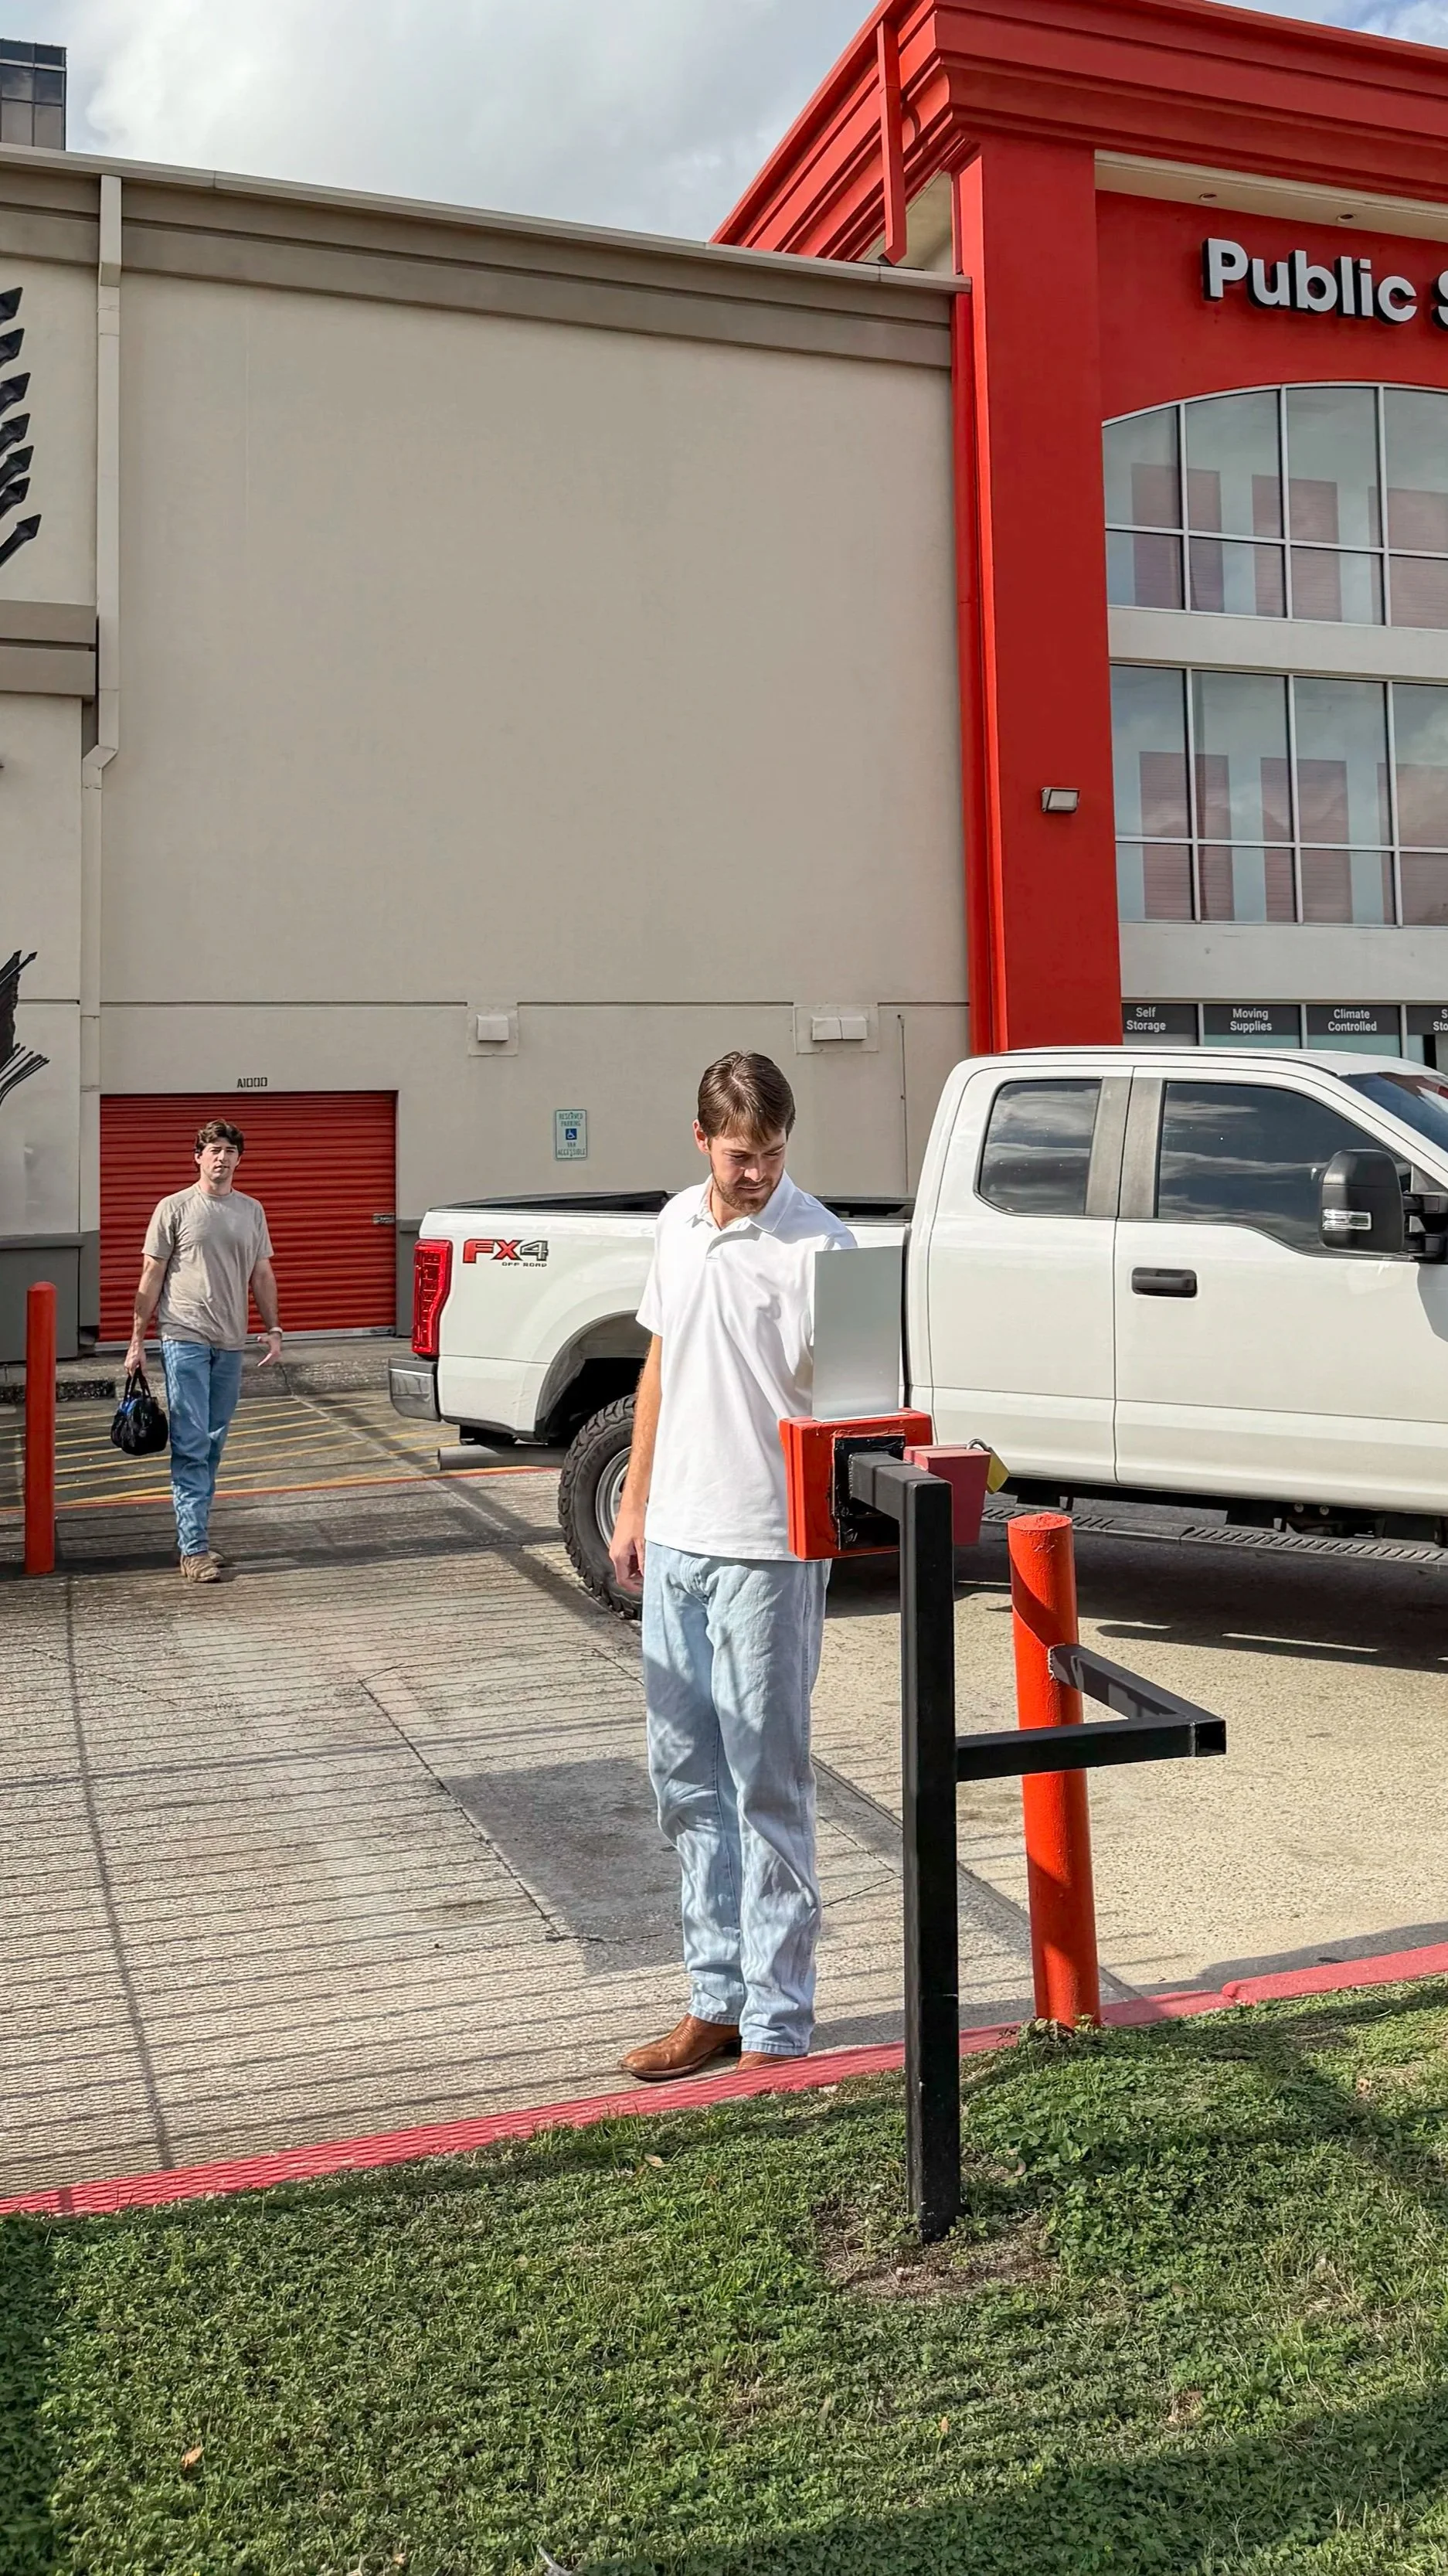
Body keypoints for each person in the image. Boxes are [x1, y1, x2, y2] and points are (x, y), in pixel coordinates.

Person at [609, 1051, 855, 2079]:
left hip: (768, 1549)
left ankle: (777, 2023)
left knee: (766, 1787)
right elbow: (659, 1365)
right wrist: (634, 1502)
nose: (756, 1175)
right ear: (701, 1140)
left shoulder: (825, 1247)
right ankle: (712, 2001)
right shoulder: (676, 1223)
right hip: (676, 1538)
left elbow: (858, 1411)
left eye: (772, 1155)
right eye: (739, 1156)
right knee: (683, 1782)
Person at [124, 1118, 282, 1582]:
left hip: (230, 1341)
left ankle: (196, 1537)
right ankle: (193, 1550)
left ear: (239, 1159)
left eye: (230, 1151)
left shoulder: (251, 1210)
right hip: (184, 1336)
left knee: (213, 1442)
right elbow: (151, 1276)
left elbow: (262, 1274)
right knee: (192, 1441)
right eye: (214, 1150)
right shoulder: (174, 1208)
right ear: (198, 1157)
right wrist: (137, 1340)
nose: (221, 1158)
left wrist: (274, 1328)